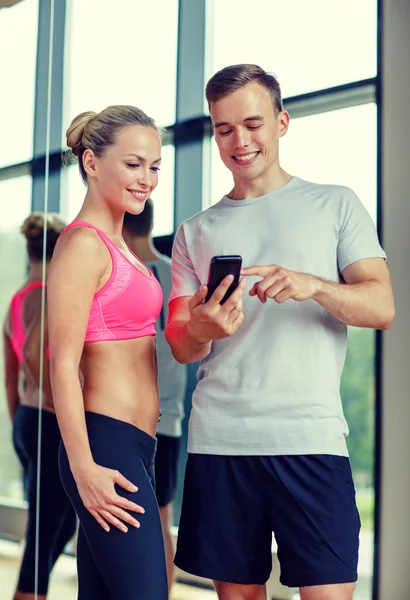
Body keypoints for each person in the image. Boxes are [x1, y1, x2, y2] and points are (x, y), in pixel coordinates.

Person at [165, 64, 395, 600]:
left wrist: (314, 286)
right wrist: (202, 324)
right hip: (220, 442)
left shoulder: (335, 204)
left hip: (309, 440)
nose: (239, 142)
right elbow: (180, 343)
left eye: (253, 124)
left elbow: (381, 306)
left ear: (282, 122)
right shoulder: (194, 231)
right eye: (224, 129)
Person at [47, 106, 168, 600]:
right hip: (104, 447)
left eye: (155, 167)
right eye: (135, 164)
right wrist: (84, 468)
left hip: (135, 447)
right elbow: (60, 363)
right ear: (92, 163)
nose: (147, 179)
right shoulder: (82, 245)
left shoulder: (119, 245)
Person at [3, 212, 77, 600]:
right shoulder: (52, 292)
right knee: (43, 534)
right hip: (48, 420)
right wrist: (56, 405)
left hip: (28, 421)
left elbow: (9, 375)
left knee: (56, 527)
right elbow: (33, 354)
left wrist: (21, 427)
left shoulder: (17, 299)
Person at [122, 199, 187, 593]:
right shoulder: (174, 275)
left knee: (121, 520)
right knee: (160, 520)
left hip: (132, 419)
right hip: (171, 420)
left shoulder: (131, 277)